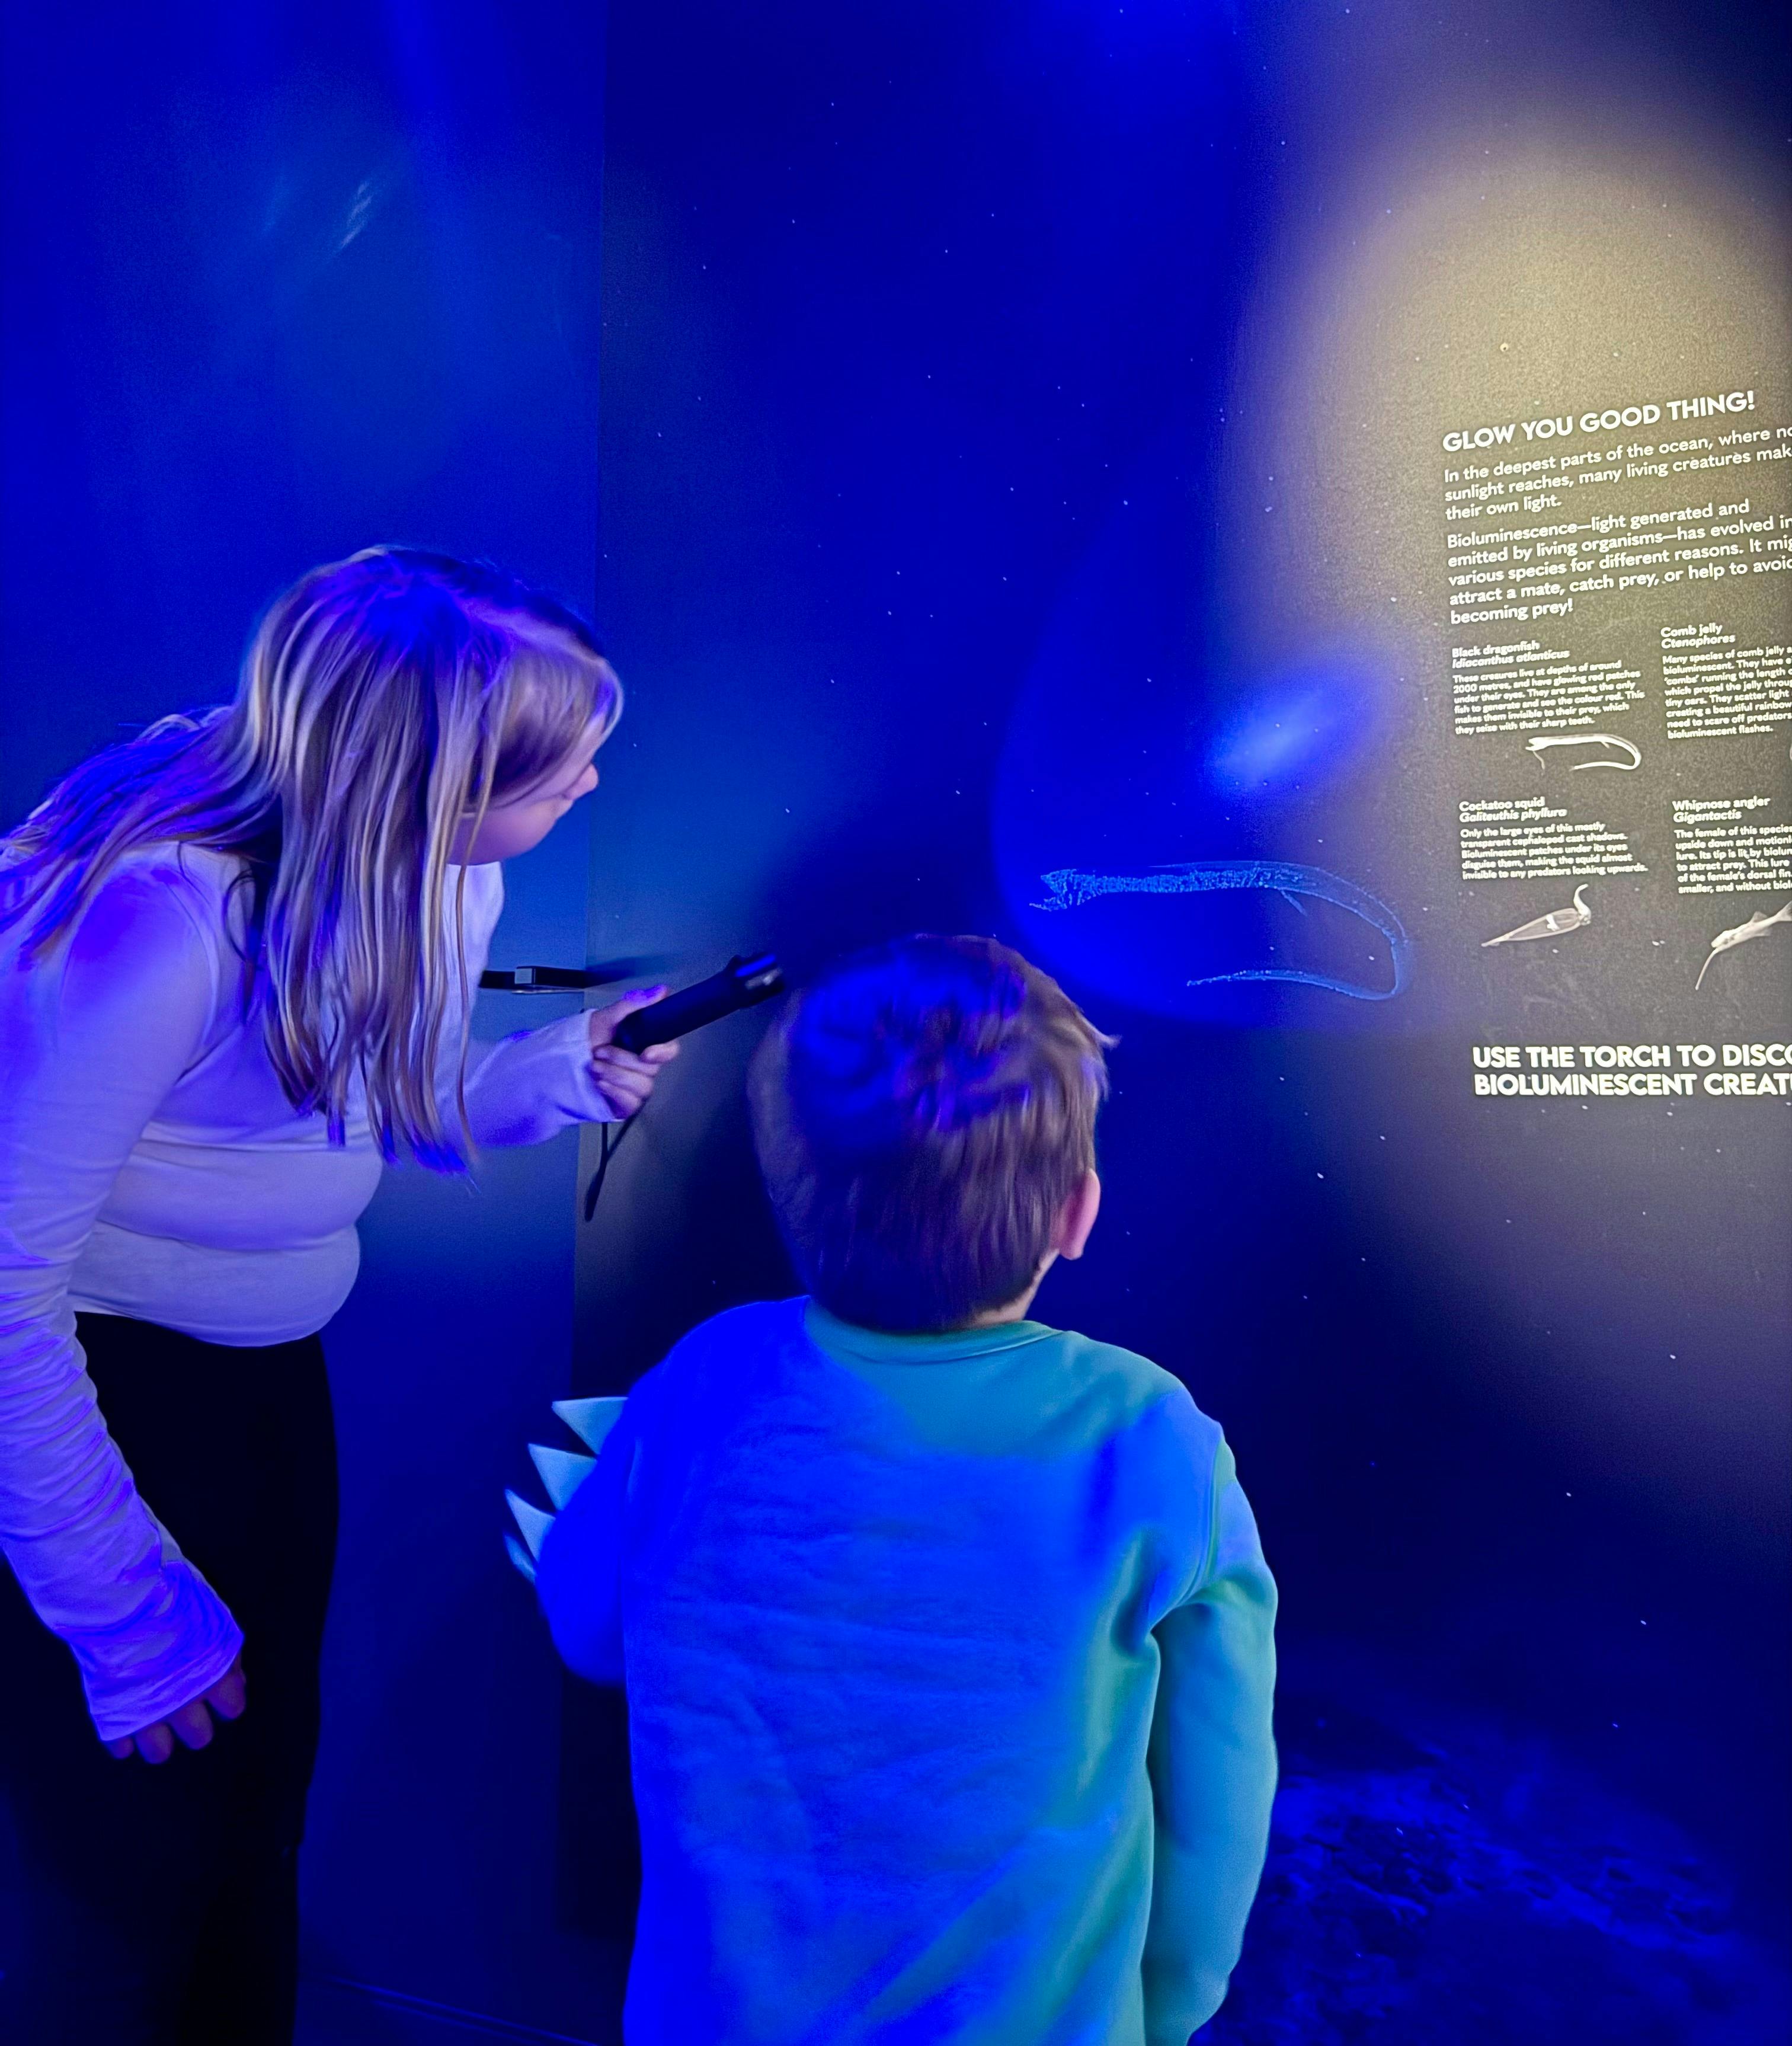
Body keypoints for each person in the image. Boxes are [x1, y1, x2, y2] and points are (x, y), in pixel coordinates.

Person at [0, 547, 677, 2042]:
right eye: (562, 769)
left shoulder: (439, 869)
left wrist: (552, 1074)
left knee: (252, 1836)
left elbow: (377, 1093)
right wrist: (119, 1611)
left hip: (260, 1392)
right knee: (116, 1891)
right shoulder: (151, 924)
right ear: (427, 778)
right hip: (95, 1406)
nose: (588, 790)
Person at [538, 933, 1278, 2045]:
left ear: (786, 1193)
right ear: (1078, 1212)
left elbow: (590, 1629)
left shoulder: (706, 1377)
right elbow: (1221, 1790)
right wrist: (1169, 2005)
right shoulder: (1147, 1434)